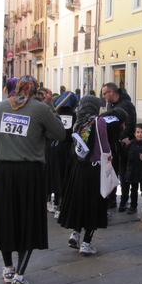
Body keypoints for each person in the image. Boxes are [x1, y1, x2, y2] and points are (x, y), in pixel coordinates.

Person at [0, 75, 66, 284]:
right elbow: (60, 133)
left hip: (3, 171)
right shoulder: (41, 109)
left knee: (5, 218)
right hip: (30, 173)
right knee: (29, 221)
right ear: (36, 91)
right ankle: (19, 277)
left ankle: (8, 269)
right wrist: (51, 106)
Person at [58, 97, 122, 256]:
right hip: (95, 169)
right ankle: (86, 243)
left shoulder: (78, 122)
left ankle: (75, 233)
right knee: (94, 205)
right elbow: (105, 145)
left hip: (79, 169)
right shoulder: (99, 121)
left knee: (80, 201)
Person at [101, 82, 136, 211]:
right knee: (112, 172)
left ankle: (124, 200)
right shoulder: (110, 104)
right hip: (112, 145)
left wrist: (120, 138)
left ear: (111, 92)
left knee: (124, 173)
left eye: (104, 93)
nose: (103, 96)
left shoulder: (127, 105)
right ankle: (111, 198)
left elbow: (130, 124)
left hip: (123, 145)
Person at [46, 91, 78, 219]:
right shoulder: (75, 116)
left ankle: (54, 202)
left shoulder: (54, 114)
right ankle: (61, 204)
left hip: (52, 147)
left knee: (54, 174)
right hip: (66, 149)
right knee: (65, 175)